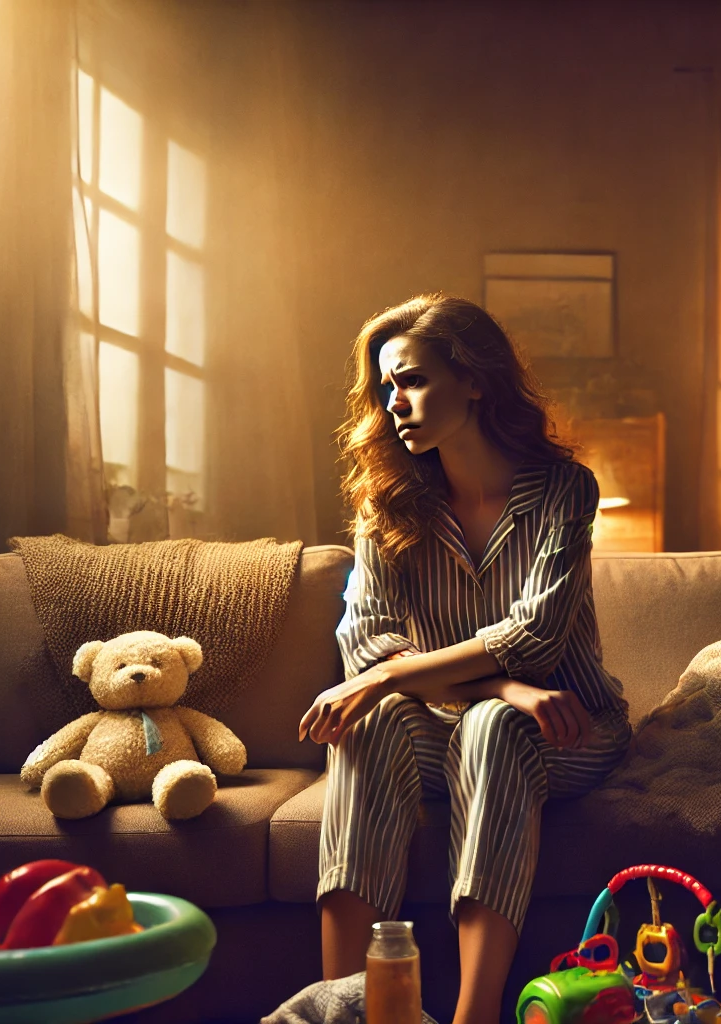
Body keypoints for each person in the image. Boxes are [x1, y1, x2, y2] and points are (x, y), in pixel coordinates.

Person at [299, 293, 631, 1024]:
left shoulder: (565, 490)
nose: (395, 404)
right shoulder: (386, 505)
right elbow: (367, 637)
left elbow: (535, 635)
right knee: (369, 724)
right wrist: (502, 686)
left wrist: (398, 676)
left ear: (474, 380)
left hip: (568, 728)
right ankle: (343, 1013)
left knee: (489, 727)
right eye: (386, 388)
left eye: (412, 380)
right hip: (457, 720)